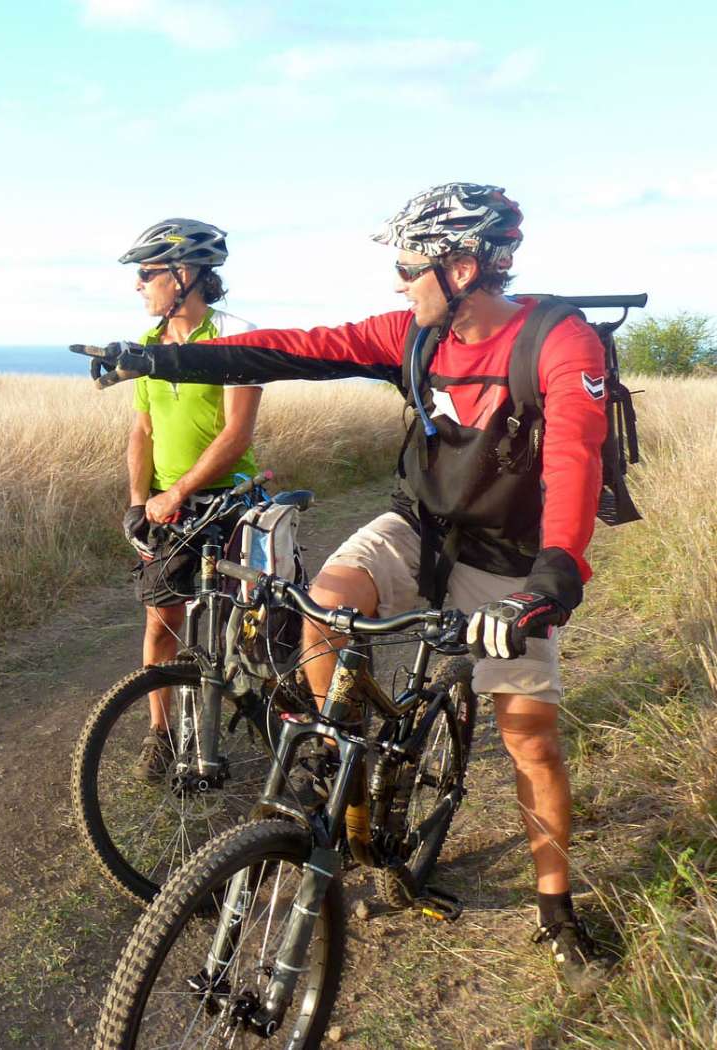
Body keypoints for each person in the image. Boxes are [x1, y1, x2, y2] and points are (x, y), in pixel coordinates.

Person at [78, 184, 615, 993]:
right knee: (326, 602)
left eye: (409, 264)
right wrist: (155, 357)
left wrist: (552, 579)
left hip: (512, 558)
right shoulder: (413, 334)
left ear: (462, 266)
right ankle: (337, 758)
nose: (398, 281)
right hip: (419, 527)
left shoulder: (560, 344)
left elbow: (577, 460)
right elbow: (295, 347)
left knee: (531, 739)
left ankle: (555, 910)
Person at [116, 219, 262, 781]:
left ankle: (266, 718)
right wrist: (139, 500)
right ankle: (160, 732)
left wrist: (179, 490)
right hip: (164, 508)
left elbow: (236, 435)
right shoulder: (149, 347)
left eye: (147, 274)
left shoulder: (235, 338)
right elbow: (143, 430)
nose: (139, 286)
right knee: (161, 621)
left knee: (247, 626)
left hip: (227, 501)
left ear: (186, 275)